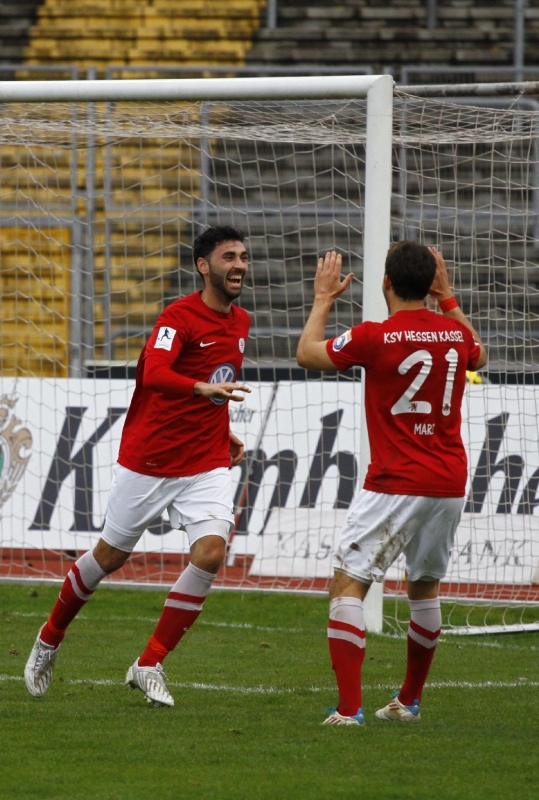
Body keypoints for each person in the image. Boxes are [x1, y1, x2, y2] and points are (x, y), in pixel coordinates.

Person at [25, 225, 251, 707]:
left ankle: (150, 662)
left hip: (205, 461)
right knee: (109, 558)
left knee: (211, 553)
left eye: (243, 257)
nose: (239, 265)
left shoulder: (242, 322)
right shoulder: (177, 318)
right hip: (150, 459)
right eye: (229, 257)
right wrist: (200, 389)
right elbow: (154, 373)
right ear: (203, 266)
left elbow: (219, 384)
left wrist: (222, 426)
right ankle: (49, 637)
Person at [296, 242, 487, 726]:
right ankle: (408, 701)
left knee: (348, 583)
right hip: (448, 481)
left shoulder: (373, 336)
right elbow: (479, 356)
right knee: (424, 587)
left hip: (395, 481)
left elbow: (306, 354)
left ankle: (348, 710)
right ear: (430, 285)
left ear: (385, 283)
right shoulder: (456, 335)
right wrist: (448, 298)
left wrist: (323, 298)